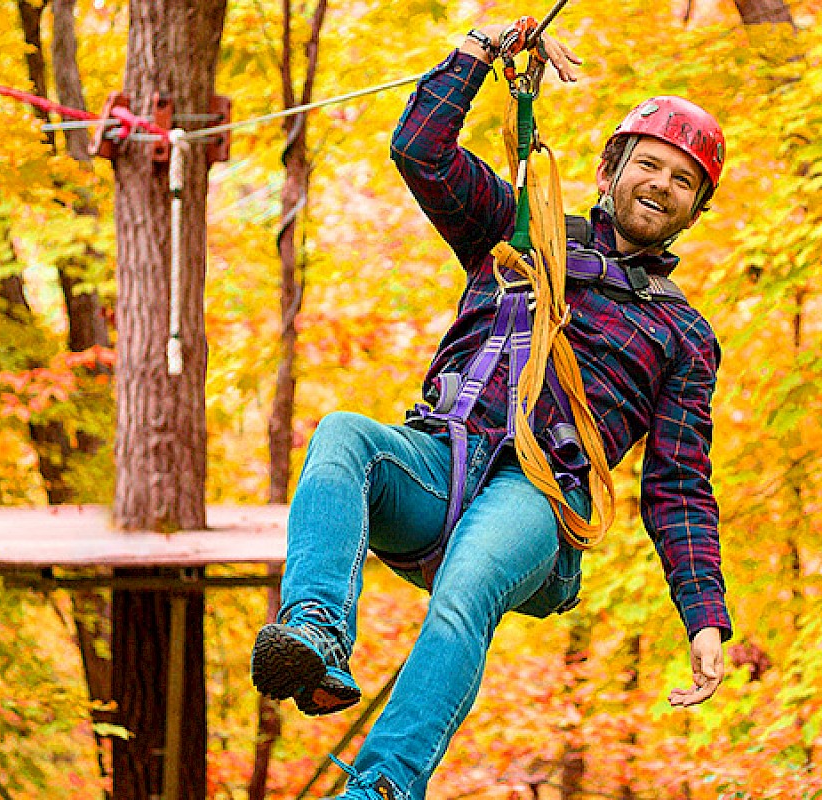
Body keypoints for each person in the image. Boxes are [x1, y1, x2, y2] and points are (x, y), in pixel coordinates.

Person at [250, 20, 732, 800]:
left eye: (684, 181)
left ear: (696, 209)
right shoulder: (517, 233)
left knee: (467, 585)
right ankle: (315, 633)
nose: (662, 185)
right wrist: (477, 55)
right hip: (444, 457)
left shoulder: (684, 335)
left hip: (540, 495)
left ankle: (379, 787)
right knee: (343, 436)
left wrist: (703, 614)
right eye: (649, 164)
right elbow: (421, 152)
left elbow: (679, 487)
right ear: (610, 170)